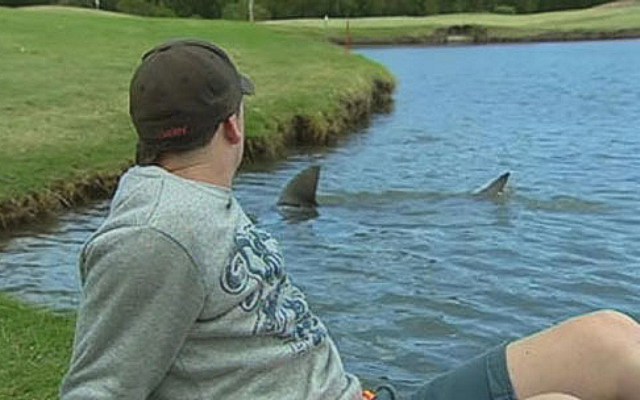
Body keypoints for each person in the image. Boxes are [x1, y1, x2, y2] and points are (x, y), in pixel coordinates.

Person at [60, 39, 640, 400]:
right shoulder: (155, 234)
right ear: (233, 124)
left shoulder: (197, 202)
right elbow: (98, 389)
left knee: (607, 339)